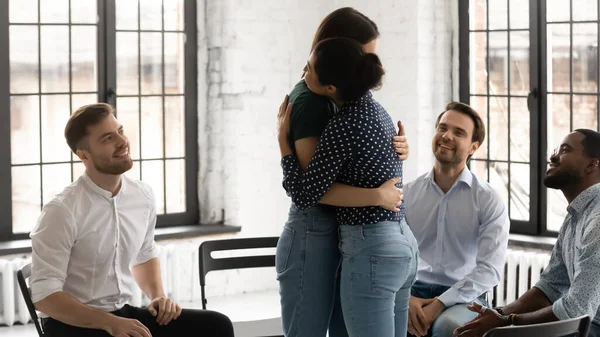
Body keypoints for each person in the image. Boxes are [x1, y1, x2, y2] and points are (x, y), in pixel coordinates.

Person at [29, 103, 234, 337]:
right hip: (72, 324)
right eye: (107, 138)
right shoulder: (61, 210)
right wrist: (109, 323)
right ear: (83, 155)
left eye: (120, 131)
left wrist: (158, 296)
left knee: (216, 325)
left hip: (122, 314)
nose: (122, 142)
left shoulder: (142, 195)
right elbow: (44, 297)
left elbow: (144, 255)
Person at [275, 7, 410, 337]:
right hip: (314, 230)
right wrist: (376, 195)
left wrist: (398, 148)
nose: (369, 67)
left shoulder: (352, 105)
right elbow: (311, 192)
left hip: (348, 234)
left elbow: (358, 163)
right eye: (365, 55)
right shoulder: (308, 102)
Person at [453, 129, 600, 337]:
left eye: (565, 150)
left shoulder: (598, 219)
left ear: (592, 165)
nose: (553, 156)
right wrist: (498, 313)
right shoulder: (576, 214)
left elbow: (575, 309)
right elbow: (550, 287)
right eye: (556, 149)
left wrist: (507, 321)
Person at [392, 102, 509, 337]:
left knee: (448, 327)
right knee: (378, 318)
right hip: (411, 290)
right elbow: (393, 252)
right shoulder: (408, 193)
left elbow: (489, 270)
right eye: (442, 128)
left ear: (473, 147)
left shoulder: (488, 199)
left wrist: (439, 304)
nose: (447, 136)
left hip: (464, 296)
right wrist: (407, 298)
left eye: (459, 132)